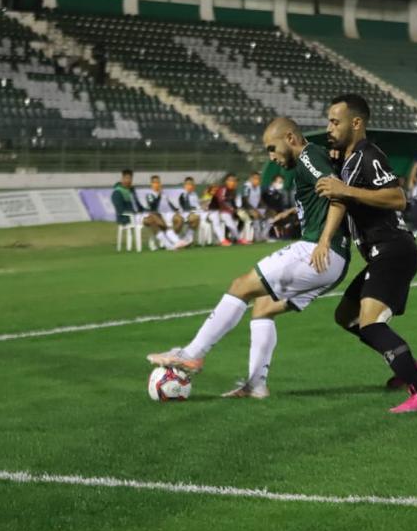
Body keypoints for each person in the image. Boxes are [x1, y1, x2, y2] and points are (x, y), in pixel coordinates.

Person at [147, 117, 351, 397]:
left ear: (290, 138)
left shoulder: (308, 156)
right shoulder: (308, 161)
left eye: (272, 148)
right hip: (333, 261)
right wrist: (292, 214)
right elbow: (322, 196)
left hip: (318, 250)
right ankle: (256, 385)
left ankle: (192, 354)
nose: (271, 157)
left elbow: (338, 194)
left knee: (241, 286)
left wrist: (324, 240)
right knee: (263, 308)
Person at [316, 93, 417, 413]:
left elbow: (398, 198)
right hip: (380, 254)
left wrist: (346, 190)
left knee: (369, 323)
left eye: (334, 121)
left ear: (356, 123)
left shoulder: (369, 155)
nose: (329, 127)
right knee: (346, 316)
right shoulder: (349, 161)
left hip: (394, 250)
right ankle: (407, 364)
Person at [110, 170, 179, 251]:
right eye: (126, 178)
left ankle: (169, 244)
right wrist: (136, 213)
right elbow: (120, 211)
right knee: (154, 217)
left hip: (138, 215)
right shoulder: (117, 192)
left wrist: (145, 210)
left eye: (130, 178)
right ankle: (174, 241)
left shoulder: (132, 190)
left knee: (155, 216)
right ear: (122, 179)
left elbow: (138, 205)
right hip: (128, 218)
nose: (128, 181)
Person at [207, 173, 246, 246]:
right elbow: (221, 200)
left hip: (223, 210)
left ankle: (238, 239)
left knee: (230, 223)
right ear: (226, 181)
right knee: (216, 222)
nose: (233, 182)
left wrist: (236, 210)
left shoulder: (233, 191)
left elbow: (233, 203)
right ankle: (223, 240)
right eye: (231, 180)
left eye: (234, 181)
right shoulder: (223, 189)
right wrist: (231, 209)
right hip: (213, 210)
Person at [169, 176, 202, 244]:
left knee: (196, 218)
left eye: (191, 184)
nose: (190, 186)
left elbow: (197, 207)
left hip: (188, 214)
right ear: (184, 185)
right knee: (179, 220)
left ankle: (187, 239)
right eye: (188, 184)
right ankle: (173, 239)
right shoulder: (178, 193)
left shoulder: (194, 195)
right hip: (177, 213)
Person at [238, 171, 268, 242]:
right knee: (256, 217)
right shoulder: (246, 187)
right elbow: (245, 202)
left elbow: (260, 200)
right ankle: (257, 238)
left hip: (255, 208)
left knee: (270, 217)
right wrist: (255, 211)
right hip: (245, 209)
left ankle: (264, 236)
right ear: (250, 179)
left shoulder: (258, 187)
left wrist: (266, 208)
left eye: (258, 179)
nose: (257, 180)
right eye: (255, 178)